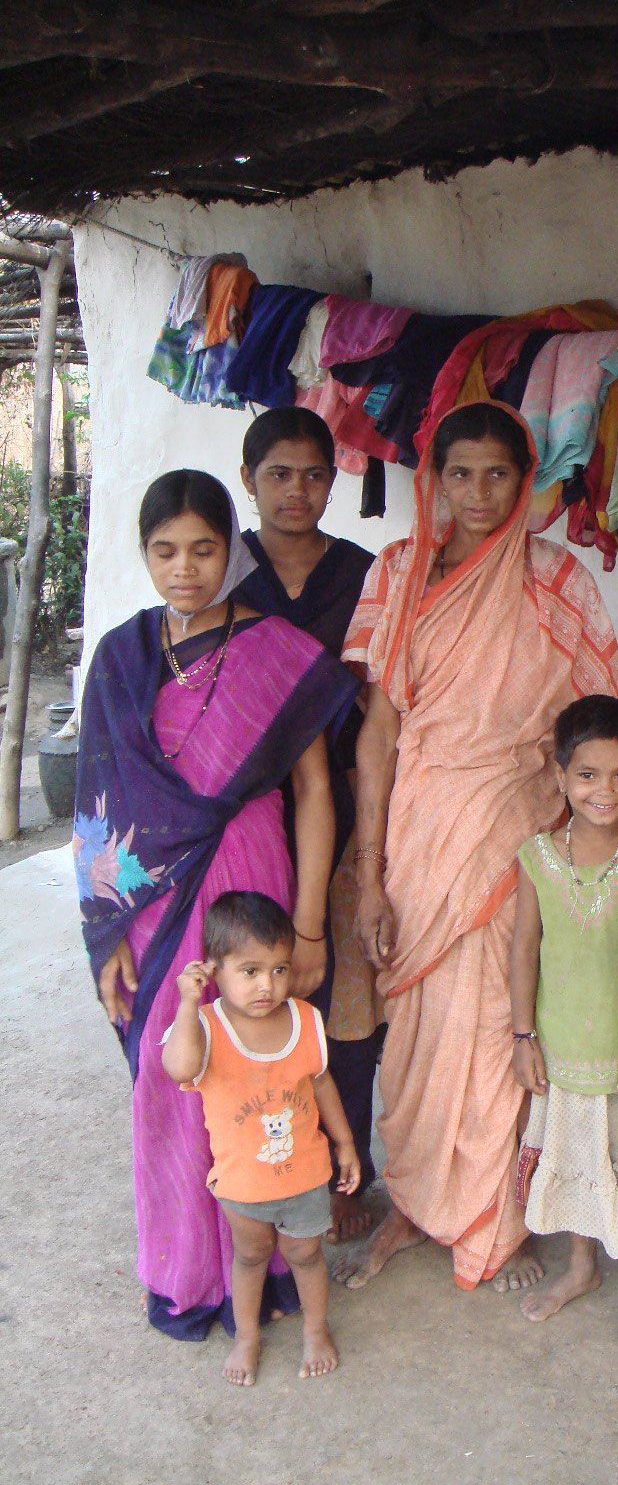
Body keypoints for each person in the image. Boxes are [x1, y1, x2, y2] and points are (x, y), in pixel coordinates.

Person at [335, 400, 618, 1293]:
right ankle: (414, 1206)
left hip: (514, 824)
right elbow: (380, 731)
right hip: (421, 829)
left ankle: (493, 1217)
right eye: (458, 473)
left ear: (526, 479)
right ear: (433, 479)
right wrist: (370, 865)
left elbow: (599, 715)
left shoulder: (555, 576)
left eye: (498, 473)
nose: (477, 492)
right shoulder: (398, 571)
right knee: (418, 1032)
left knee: (499, 1026)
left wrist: (577, 834)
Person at [75, 468, 358, 1339]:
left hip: (251, 880)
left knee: (263, 1073)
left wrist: (307, 925)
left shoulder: (278, 653)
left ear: (229, 549)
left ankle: (273, 1261)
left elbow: (315, 792)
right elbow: (99, 807)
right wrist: (109, 932)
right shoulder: (122, 659)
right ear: (145, 555)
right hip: (153, 905)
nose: (185, 569)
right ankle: (186, 1271)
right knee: (175, 1074)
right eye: (165, 551)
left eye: (203, 549)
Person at [236, 406, 381, 1243]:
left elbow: (381, 696)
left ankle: (341, 1165)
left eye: (316, 474)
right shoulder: (227, 572)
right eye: (280, 474)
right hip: (251, 814)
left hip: (345, 802)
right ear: (250, 476)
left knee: (343, 1004)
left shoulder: (363, 572)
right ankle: (262, 1167)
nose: (298, 491)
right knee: (260, 993)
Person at [509, 695, 618, 1344]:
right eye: (586, 774)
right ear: (560, 776)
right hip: (563, 1052)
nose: (603, 791)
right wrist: (523, 1035)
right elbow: (524, 948)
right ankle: (581, 1267)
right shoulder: (536, 858)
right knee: (579, 1158)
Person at [162, 892, 360, 1385]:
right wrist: (189, 1003)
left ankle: (316, 1328)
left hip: (307, 1179)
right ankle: (247, 1335)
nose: (266, 985)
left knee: (306, 1256)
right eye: (249, 971)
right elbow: (179, 1069)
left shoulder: (306, 1020)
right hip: (242, 1188)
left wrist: (346, 1143)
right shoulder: (206, 1028)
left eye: (278, 969)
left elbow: (320, 1082)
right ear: (214, 970)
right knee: (249, 1257)